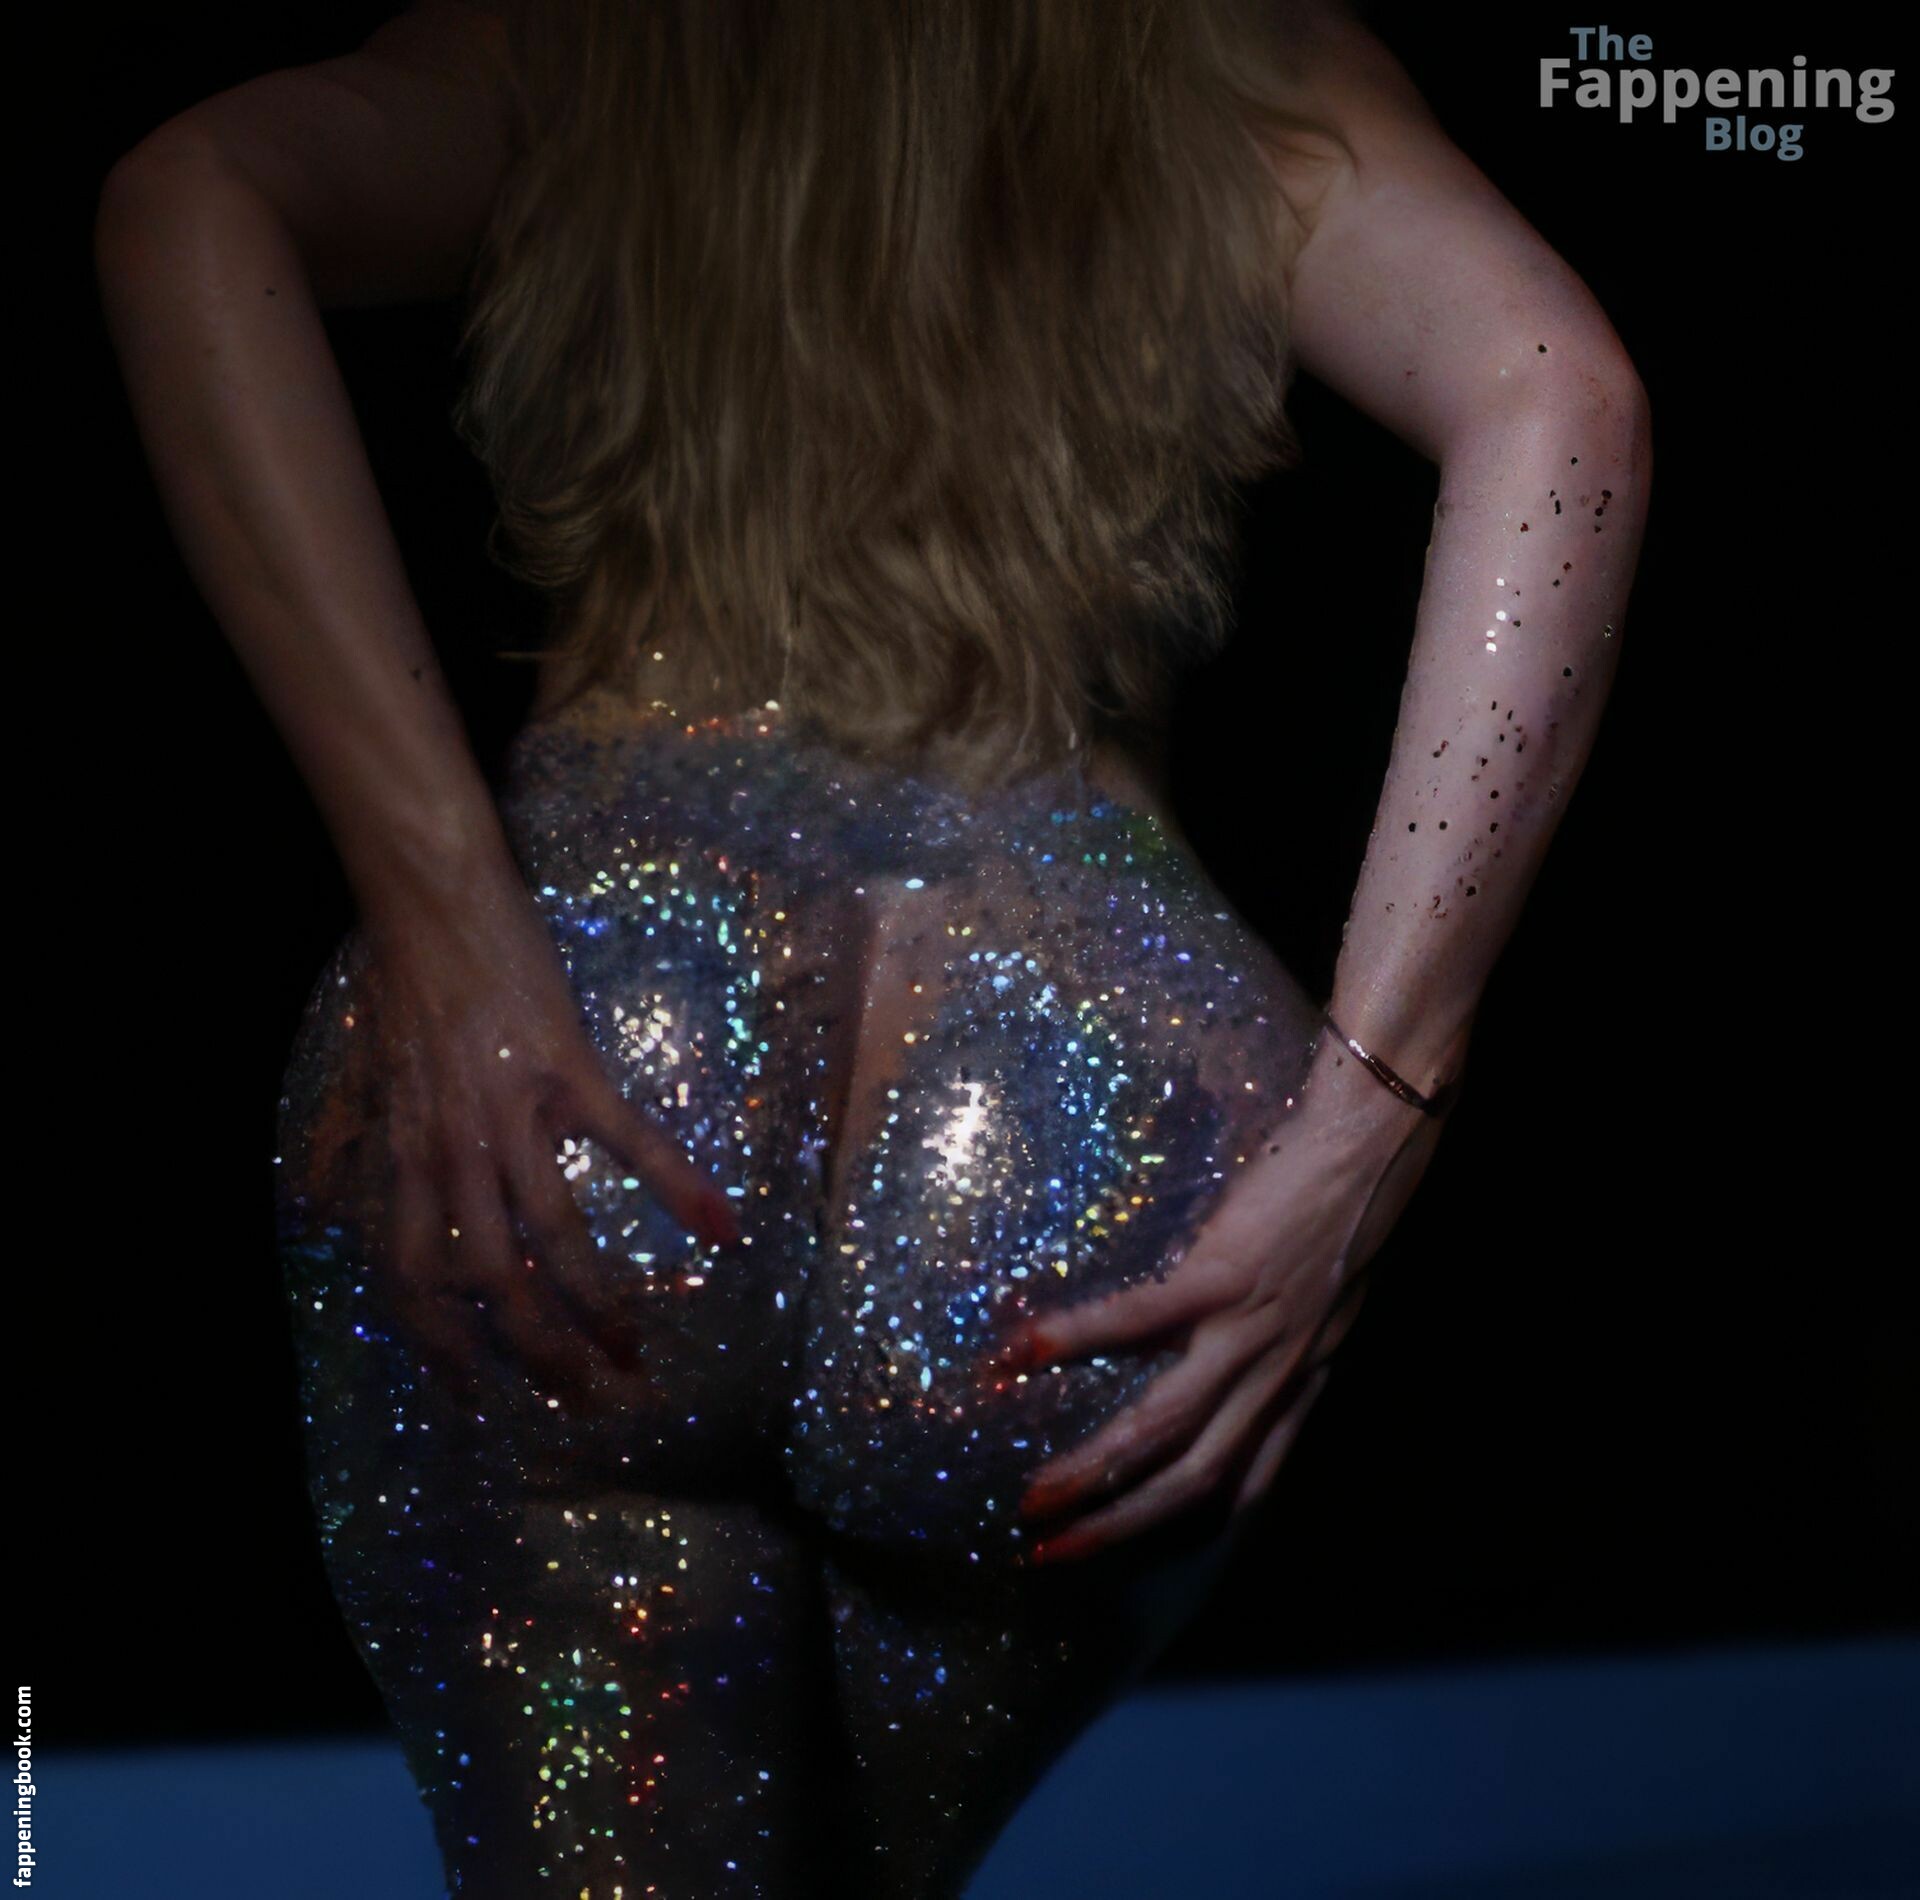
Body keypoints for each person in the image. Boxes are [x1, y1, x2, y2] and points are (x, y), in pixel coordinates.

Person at [95, 0, 1649, 1892]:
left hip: (598, 1015)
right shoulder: (1236, 55)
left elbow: (189, 200)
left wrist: (444, 907)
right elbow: (1558, 388)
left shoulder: (582, 41)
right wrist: (1376, 1100)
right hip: (1086, 1100)